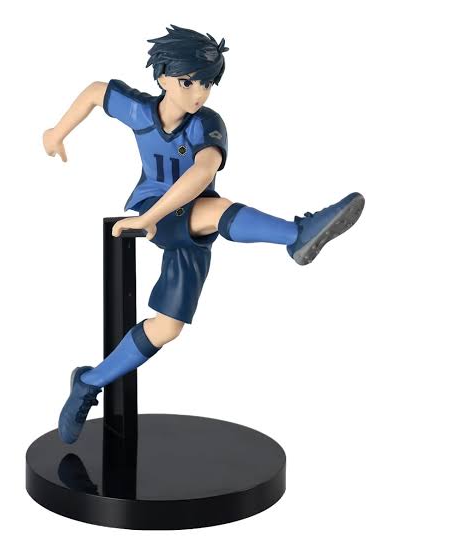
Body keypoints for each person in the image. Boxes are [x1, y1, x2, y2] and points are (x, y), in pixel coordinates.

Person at [43, 24, 365, 444]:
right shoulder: (139, 111)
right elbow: (94, 92)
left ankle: (88, 382)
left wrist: (154, 218)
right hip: (159, 209)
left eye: (207, 84)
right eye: (188, 82)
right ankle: (296, 234)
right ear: (163, 78)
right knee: (213, 209)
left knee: (167, 328)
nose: (199, 93)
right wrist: (56, 133)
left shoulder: (206, 124)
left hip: (190, 220)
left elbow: (202, 172)